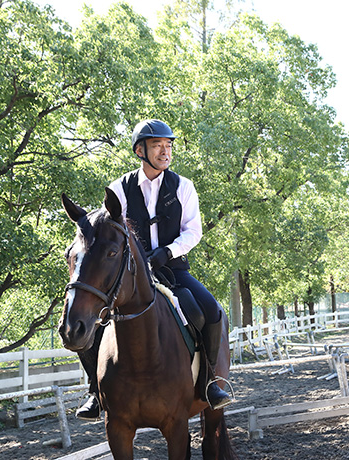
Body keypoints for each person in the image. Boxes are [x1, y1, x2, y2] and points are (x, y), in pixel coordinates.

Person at [75, 119, 232, 419]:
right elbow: (110, 230)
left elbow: (193, 231)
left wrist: (167, 252)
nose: (165, 151)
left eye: (168, 145)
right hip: (129, 273)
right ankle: (96, 392)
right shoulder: (119, 188)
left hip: (173, 268)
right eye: (157, 145)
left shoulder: (184, 186)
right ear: (140, 150)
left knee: (211, 311)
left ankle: (211, 382)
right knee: (91, 318)